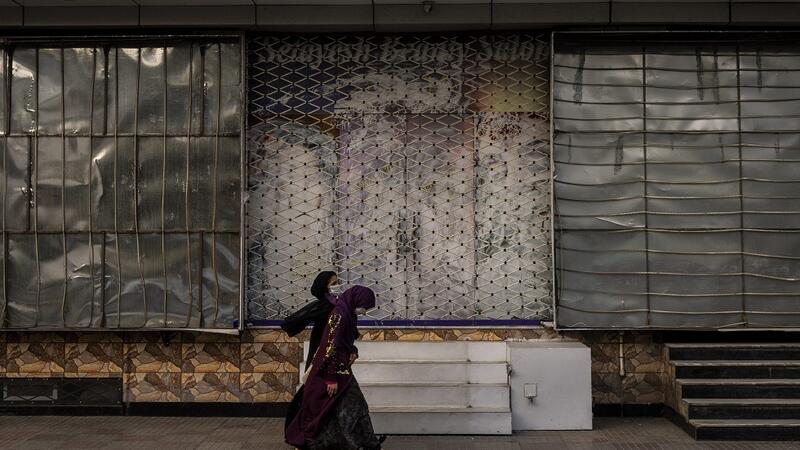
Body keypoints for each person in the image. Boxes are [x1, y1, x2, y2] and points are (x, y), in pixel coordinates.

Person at [285, 286, 385, 450]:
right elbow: (331, 346)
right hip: (331, 371)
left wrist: (353, 351)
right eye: (364, 307)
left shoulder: (348, 314)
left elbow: (345, 341)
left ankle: (361, 442)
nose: (364, 311)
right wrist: (331, 378)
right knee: (339, 407)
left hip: (342, 370)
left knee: (352, 406)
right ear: (356, 301)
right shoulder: (339, 315)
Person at [282, 271, 340, 433]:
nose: (337, 286)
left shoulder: (336, 303)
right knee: (314, 387)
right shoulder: (324, 305)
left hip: (331, 350)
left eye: (338, 282)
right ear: (324, 287)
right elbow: (297, 319)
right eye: (333, 284)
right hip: (321, 350)